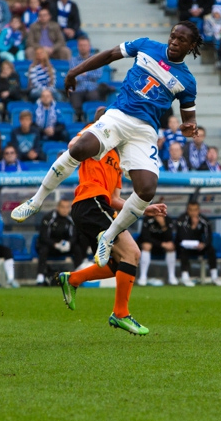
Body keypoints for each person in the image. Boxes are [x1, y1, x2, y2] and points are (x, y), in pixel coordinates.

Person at [12, 22, 202, 269]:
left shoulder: (187, 81)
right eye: (172, 36)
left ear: (192, 45)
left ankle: (109, 236)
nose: (174, 42)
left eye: (181, 40)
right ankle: (36, 201)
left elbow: (189, 120)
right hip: (119, 115)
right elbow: (111, 54)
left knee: (146, 189)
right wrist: (74, 72)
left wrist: (190, 127)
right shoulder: (146, 46)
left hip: (144, 132)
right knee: (79, 148)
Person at [57, 116, 168, 333]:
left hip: (96, 205)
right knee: (132, 253)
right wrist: (86, 135)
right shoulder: (95, 135)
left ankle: (73, 279)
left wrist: (146, 209)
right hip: (90, 202)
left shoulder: (118, 158)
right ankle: (120, 314)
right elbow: (72, 145)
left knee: (118, 263)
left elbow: (115, 198)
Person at [35, 199, 85, 286]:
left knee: (77, 248)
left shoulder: (72, 218)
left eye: (67, 207)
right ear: (58, 207)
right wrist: (55, 245)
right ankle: (40, 277)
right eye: (62, 207)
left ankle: (79, 276)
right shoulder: (48, 217)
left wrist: (69, 243)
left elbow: (74, 235)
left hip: (66, 246)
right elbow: (43, 236)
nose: (65, 210)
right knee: (43, 250)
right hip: (51, 246)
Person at [176, 201, 221, 287]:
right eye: (191, 210)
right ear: (187, 210)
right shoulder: (181, 220)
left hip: (199, 247)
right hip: (186, 246)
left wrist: (203, 244)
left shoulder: (204, 220)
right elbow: (181, 237)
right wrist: (193, 226)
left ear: (199, 210)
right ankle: (185, 276)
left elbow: (209, 237)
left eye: (195, 210)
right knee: (183, 251)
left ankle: (214, 276)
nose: (193, 212)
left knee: (211, 249)